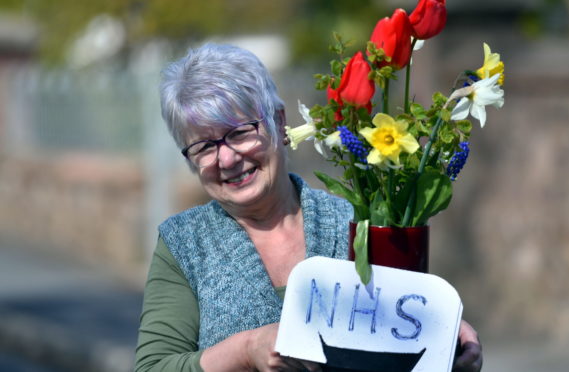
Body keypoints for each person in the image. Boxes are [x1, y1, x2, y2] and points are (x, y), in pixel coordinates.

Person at [134, 43, 482, 372]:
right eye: (204, 147)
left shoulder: (355, 222)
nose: (226, 157)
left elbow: (395, 321)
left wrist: (442, 330)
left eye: (239, 133)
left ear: (280, 122)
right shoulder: (185, 243)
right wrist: (246, 349)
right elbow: (153, 366)